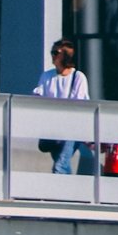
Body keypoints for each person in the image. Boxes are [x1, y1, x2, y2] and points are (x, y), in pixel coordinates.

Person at [33, 39, 90, 175]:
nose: (52, 56)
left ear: (65, 55)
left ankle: (61, 187)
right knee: (62, 164)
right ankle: (69, 188)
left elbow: (80, 104)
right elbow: (37, 97)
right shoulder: (47, 76)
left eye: (55, 53)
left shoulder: (78, 77)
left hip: (72, 129)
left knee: (60, 166)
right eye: (52, 52)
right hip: (52, 128)